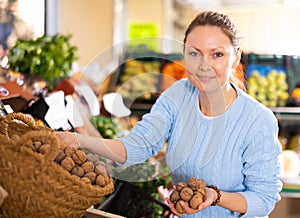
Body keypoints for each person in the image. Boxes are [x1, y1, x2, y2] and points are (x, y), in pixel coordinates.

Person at [56, 11, 282, 217]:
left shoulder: (257, 121)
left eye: (217, 55)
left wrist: (216, 197)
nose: (204, 65)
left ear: (236, 57)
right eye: (195, 53)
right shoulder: (177, 95)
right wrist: (79, 140)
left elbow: (264, 200)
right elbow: (137, 147)